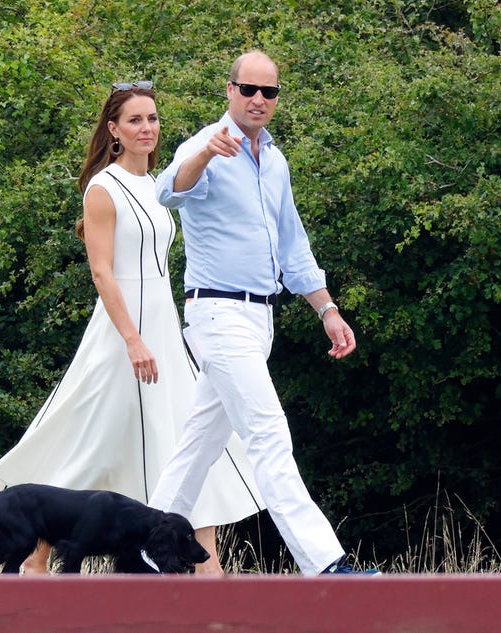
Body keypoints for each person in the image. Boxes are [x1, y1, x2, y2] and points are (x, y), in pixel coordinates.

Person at [0, 80, 263, 576]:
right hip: (122, 333)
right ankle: (33, 561)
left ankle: (209, 571)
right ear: (113, 130)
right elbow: (102, 272)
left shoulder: (158, 185)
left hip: (164, 325)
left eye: (153, 119)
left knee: (185, 438)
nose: (147, 128)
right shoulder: (103, 188)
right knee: (90, 440)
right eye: (135, 120)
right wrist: (133, 339)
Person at [148, 51, 378, 576]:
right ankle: (326, 565)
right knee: (269, 436)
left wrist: (328, 309)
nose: (258, 100)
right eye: (248, 89)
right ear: (229, 90)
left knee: (198, 445)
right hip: (217, 314)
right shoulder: (208, 144)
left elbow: (293, 246)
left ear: (276, 99)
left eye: (268, 92)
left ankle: (146, 549)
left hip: (259, 320)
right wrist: (206, 154)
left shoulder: (275, 161)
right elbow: (168, 190)